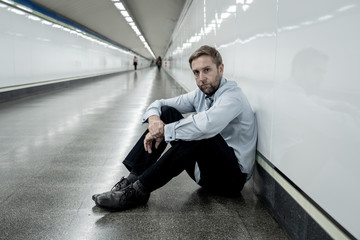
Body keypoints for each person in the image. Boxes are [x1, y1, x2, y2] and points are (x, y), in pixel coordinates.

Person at [92, 45, 257, 211]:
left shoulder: (232, 97)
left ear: (220, 69)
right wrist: (155, 121)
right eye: (196, 72)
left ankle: (138, 191)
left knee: (200, 133)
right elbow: (160, 104)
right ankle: (132, 180)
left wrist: (165, 131)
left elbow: (207, 125)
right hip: (203, 173)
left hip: (230, 180)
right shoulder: (201, 94)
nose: (201, 78)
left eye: (207, 70)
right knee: (167, 112)